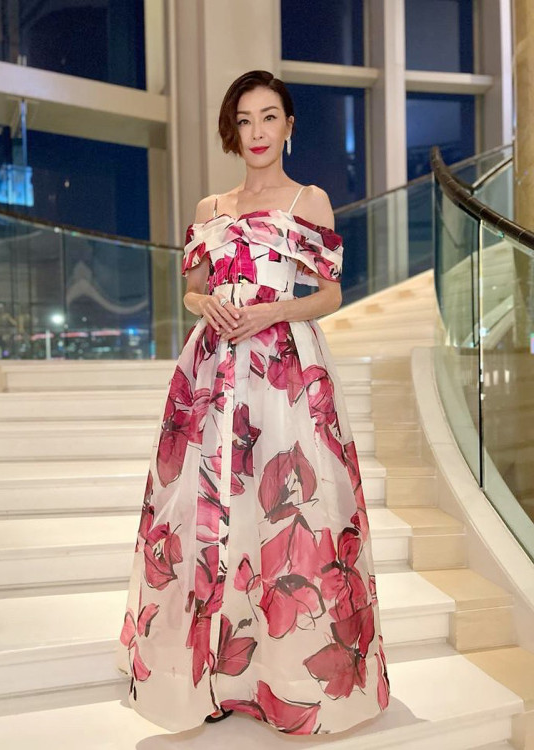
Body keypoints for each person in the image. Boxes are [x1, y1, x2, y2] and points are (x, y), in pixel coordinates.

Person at [116, 69, 391, 736]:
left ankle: (286, 680)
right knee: (208, 516)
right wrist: (202, 304)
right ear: (232, 131)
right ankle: (214, 678)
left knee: (284, 516)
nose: (257, 131)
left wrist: (271, 312)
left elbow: (330, 294)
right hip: (212, 371)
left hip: (284, 372)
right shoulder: (211, 208)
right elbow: (192, 288)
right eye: (245, 120)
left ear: (288, 126)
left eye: (269, 117)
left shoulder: (309, 200)